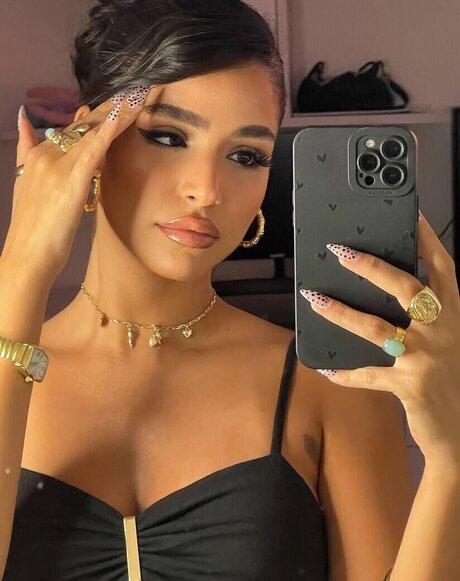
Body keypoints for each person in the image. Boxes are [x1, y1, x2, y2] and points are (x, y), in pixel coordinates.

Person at [0, 1, 459, 580]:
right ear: (86, 140)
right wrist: (22, 269)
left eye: (246, 155)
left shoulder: (334, 380)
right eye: (168, 137)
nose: (208, 189)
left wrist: (451, 460)